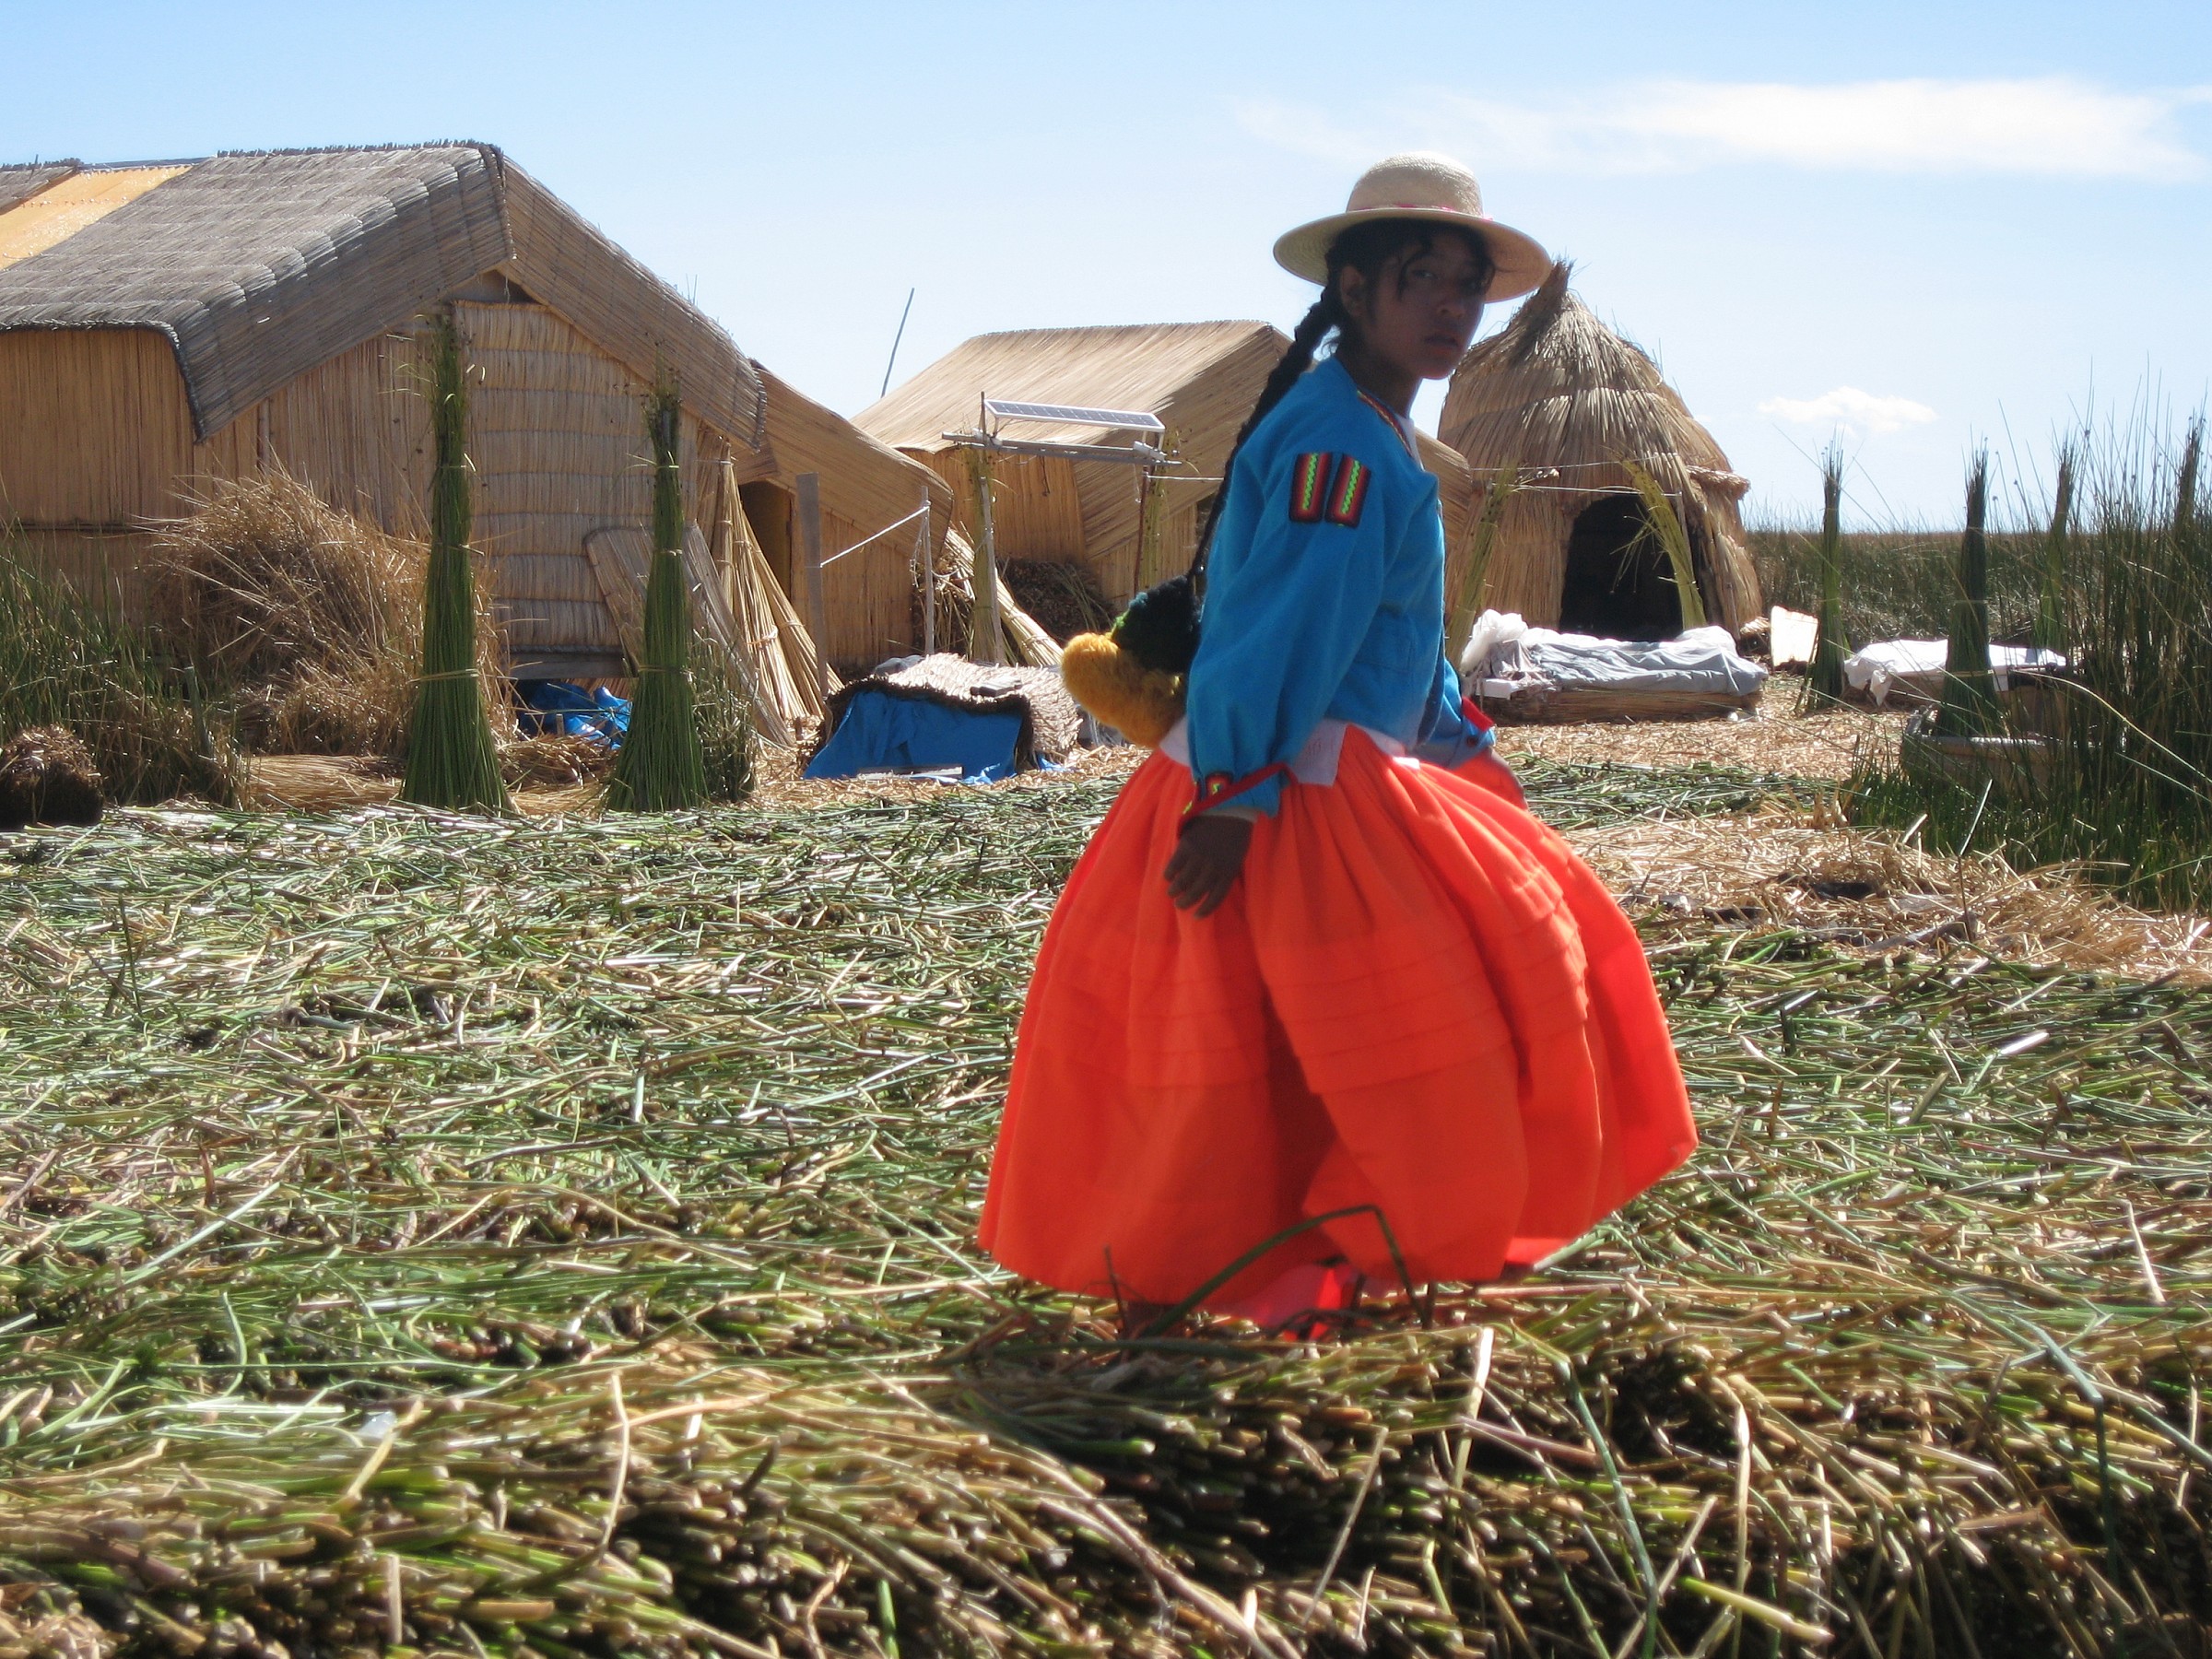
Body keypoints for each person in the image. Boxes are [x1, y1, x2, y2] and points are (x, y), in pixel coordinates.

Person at [980, 154, 1696, 1329]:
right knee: (1378, 1042)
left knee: (1308, 1037)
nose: (1451, 312)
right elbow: (1284, 628)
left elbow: (1396, 646)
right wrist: (1238, 792)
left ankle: (1308, 1267)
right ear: (1355, 287)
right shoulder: (1342, 451)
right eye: (1421, 281)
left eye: (1467, 287)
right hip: (1291, 790)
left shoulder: (1359, 429)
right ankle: (1300, 1264)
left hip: (1322, 773)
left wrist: (1465, 755)